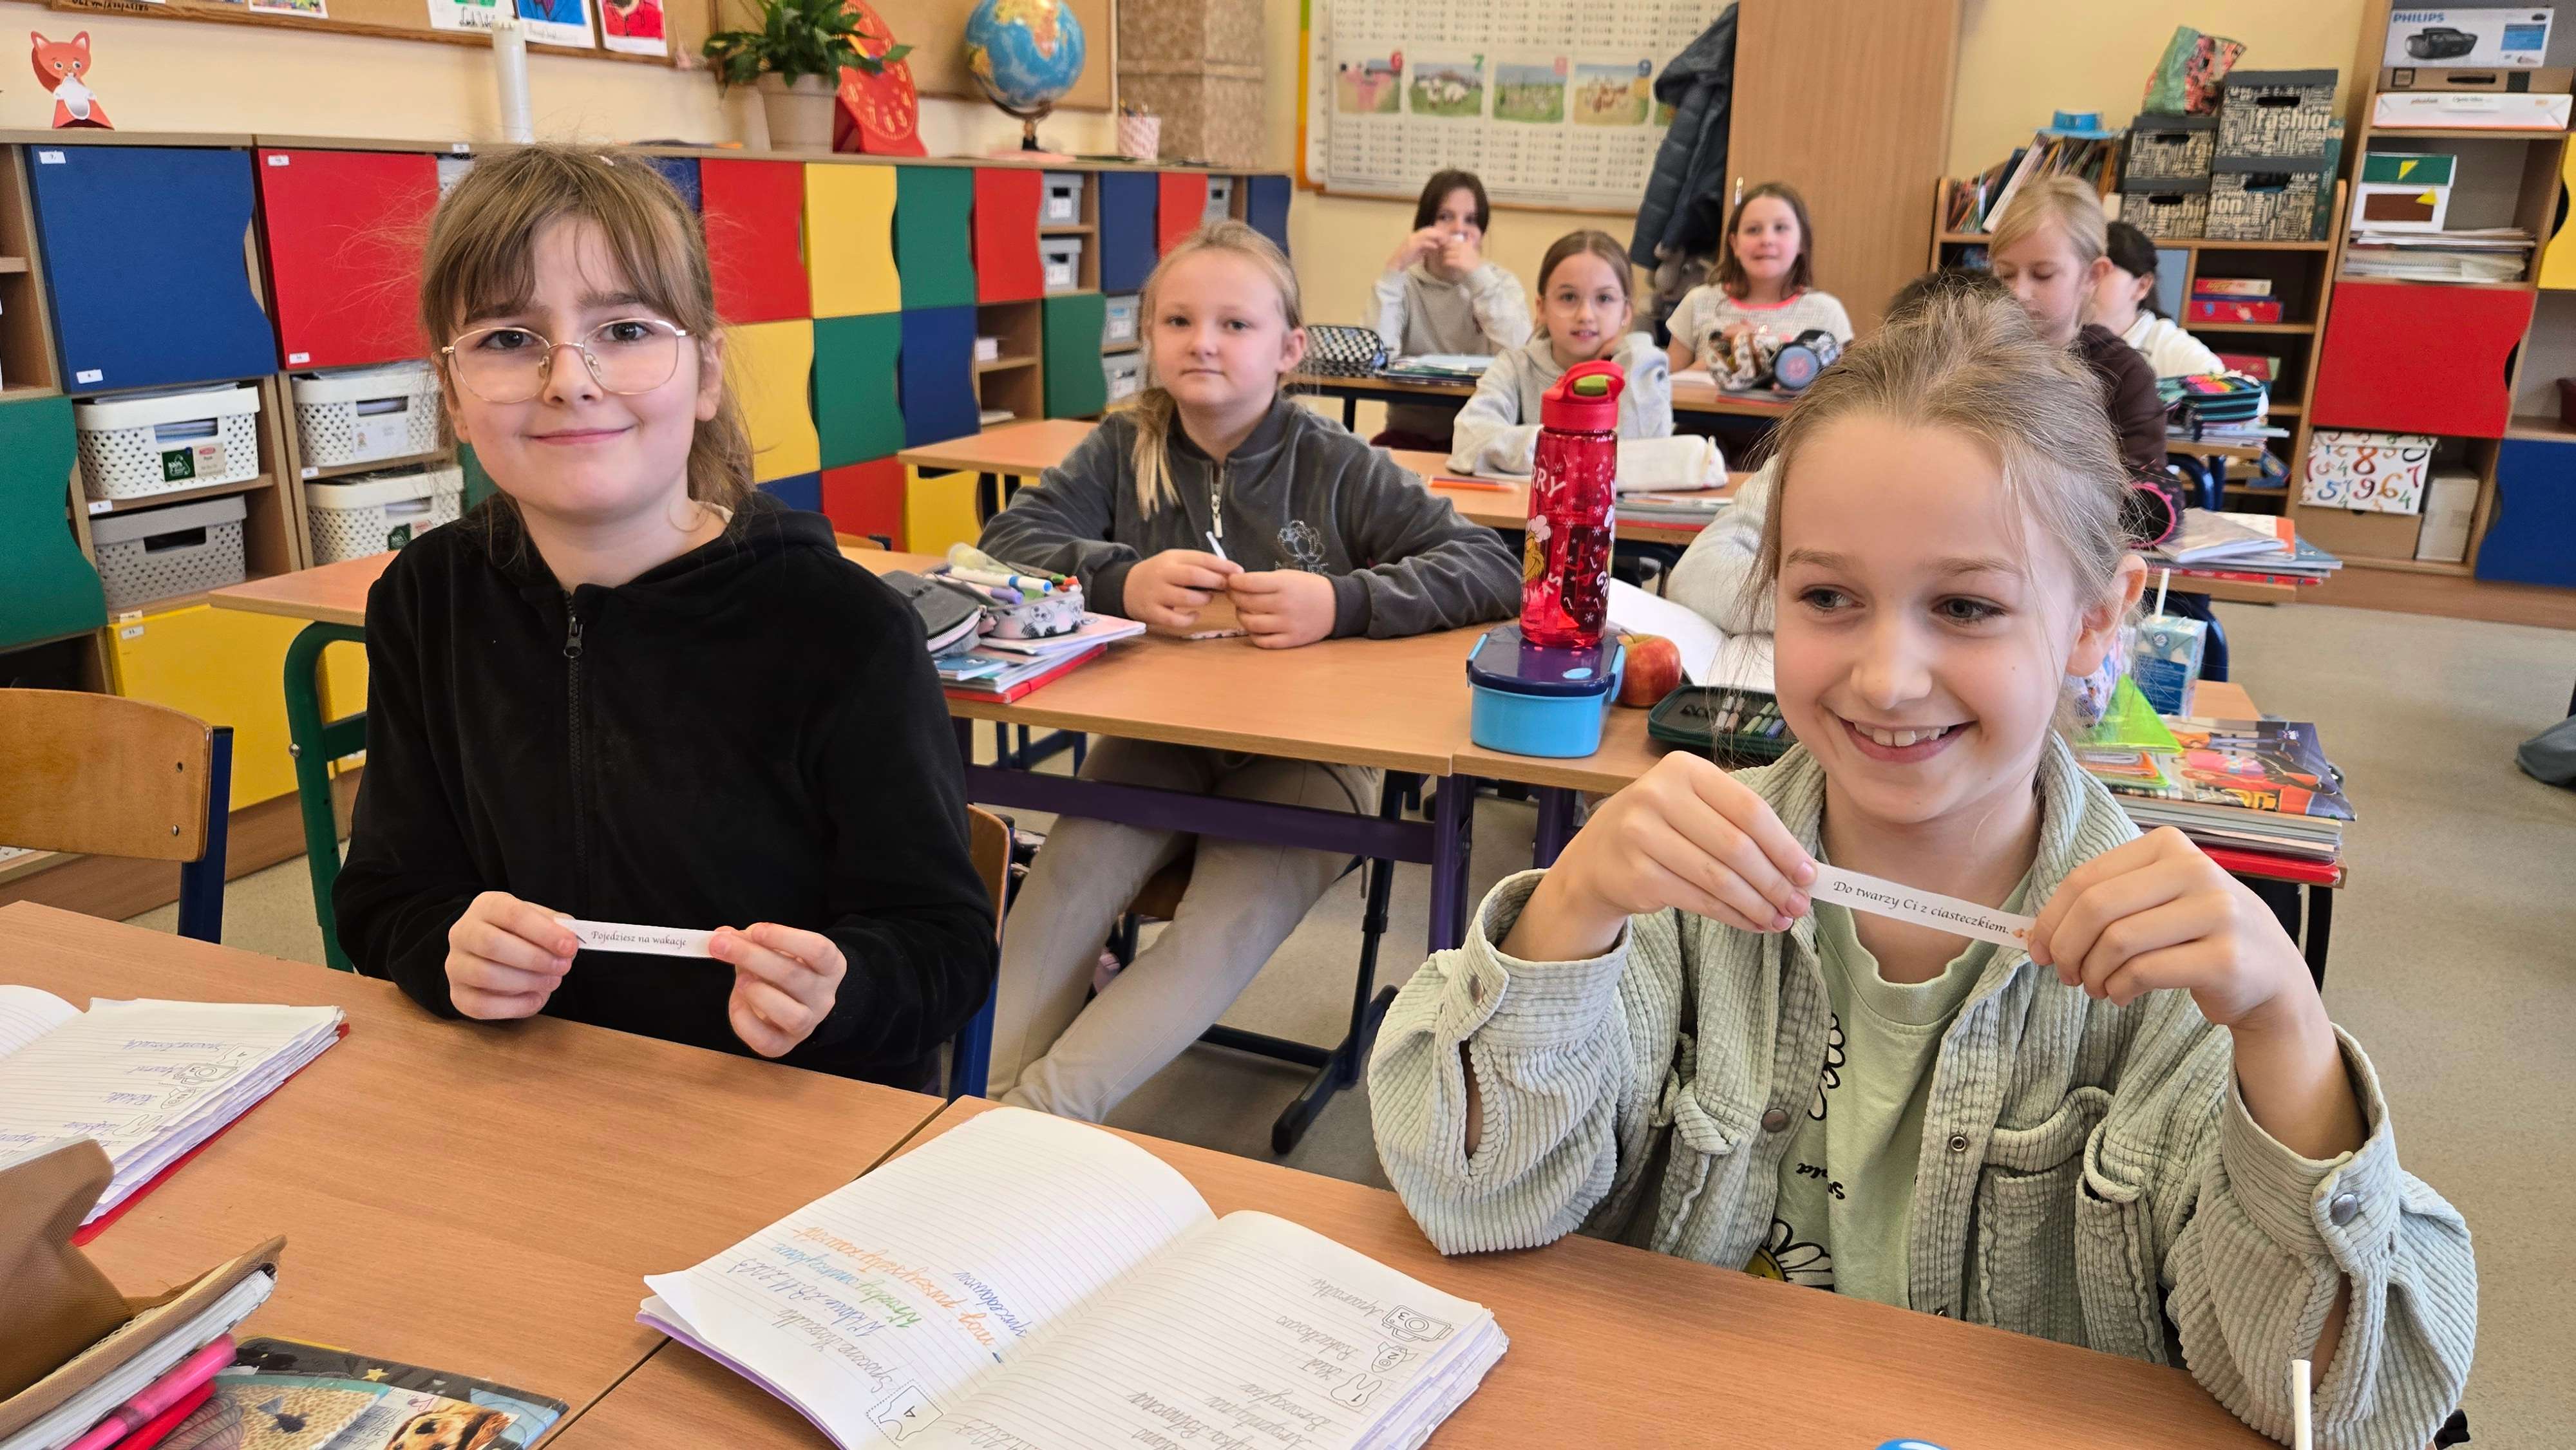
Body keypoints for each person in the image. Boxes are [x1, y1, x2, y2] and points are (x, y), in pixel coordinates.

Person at [1369, 288, 2476, 1450]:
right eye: (1828, 598)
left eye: (1966, 605)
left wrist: (2289, 1036)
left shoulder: (2173, 980)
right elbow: (1470, 1199)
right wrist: (1569, 911)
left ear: (2098, 617)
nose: (1889, 679)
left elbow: (2345, 1411)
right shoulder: (1676, 899)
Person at [334, 146, 996, 1089]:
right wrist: (445, 948)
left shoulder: (843, 630)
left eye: (625, 330)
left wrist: (840, 989)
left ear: (706, 371)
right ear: (453, 394)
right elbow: (383, 894)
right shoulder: (426, 599)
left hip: (780, 1111)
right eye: (509, 339)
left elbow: (945, 947)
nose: (570, 379)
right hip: (518, 1098)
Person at [977, 220, 1519, 1121]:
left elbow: (1490, 566)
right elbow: (1006, 539)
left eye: (1235, 324)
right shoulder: (1123, 446)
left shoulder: (1335, 462)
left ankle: (1029, 1122)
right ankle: (971, 1101)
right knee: (1069, 876)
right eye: (1179, 321)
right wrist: (1119, 577)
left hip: (1314, 758)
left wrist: (1341, 602)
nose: (1204, 342)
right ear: (1149, 337)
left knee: (1222, 924)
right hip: (1158, 739)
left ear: (1288, 349)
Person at [1669, 268, 2005, 636]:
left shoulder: (2025, 482)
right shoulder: (1821, 458)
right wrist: (1827, 605)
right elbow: (1697, 575)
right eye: (1915, 370)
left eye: (1962, 608)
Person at [1448, 230, 1692, 478]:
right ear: (1542, 308)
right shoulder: (1516, 366)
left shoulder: (1639, 367)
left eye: (1604, 298)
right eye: (1568, 297)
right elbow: (1469, 439)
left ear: (1626, 312)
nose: (1585, 315)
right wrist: (1567, 446)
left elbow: (1648, 458)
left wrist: (1637, 350)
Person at [1987, 178, 2166, 480]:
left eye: (2043, 274)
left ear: (2093, 275)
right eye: (2005, 274)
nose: (2018, 292)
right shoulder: (1972, 355)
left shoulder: (2124, 374)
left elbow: (2149, 491)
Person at [1370, 169, 1532, 449]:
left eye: (1471, 220)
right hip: (1411, 432)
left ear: (1481, 233)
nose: (1459, 230)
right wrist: (1394, 270)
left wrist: (1478, 277)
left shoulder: (1499, 283)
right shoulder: (1405, 284)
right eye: (1445, 217)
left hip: (1484, 436)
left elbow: (1521, 353)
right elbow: (1374, 357)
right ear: (1424, 227)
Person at [1663, 182, 1854, 377]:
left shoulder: (1827, 313)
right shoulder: (1699, 302)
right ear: (1734, 244)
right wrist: (1721, 356)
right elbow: (1664, 389)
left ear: (1801, 241)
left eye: (1781, 228)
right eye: (1753, 230)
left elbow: (1841, 392)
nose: (1767, 240)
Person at [2095, 220, 2226, 378]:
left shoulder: (2176, 351)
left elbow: (2229, 387)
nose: (2083, 282)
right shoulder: (2071, 337)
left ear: (2142, 285)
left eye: (2101, 271)